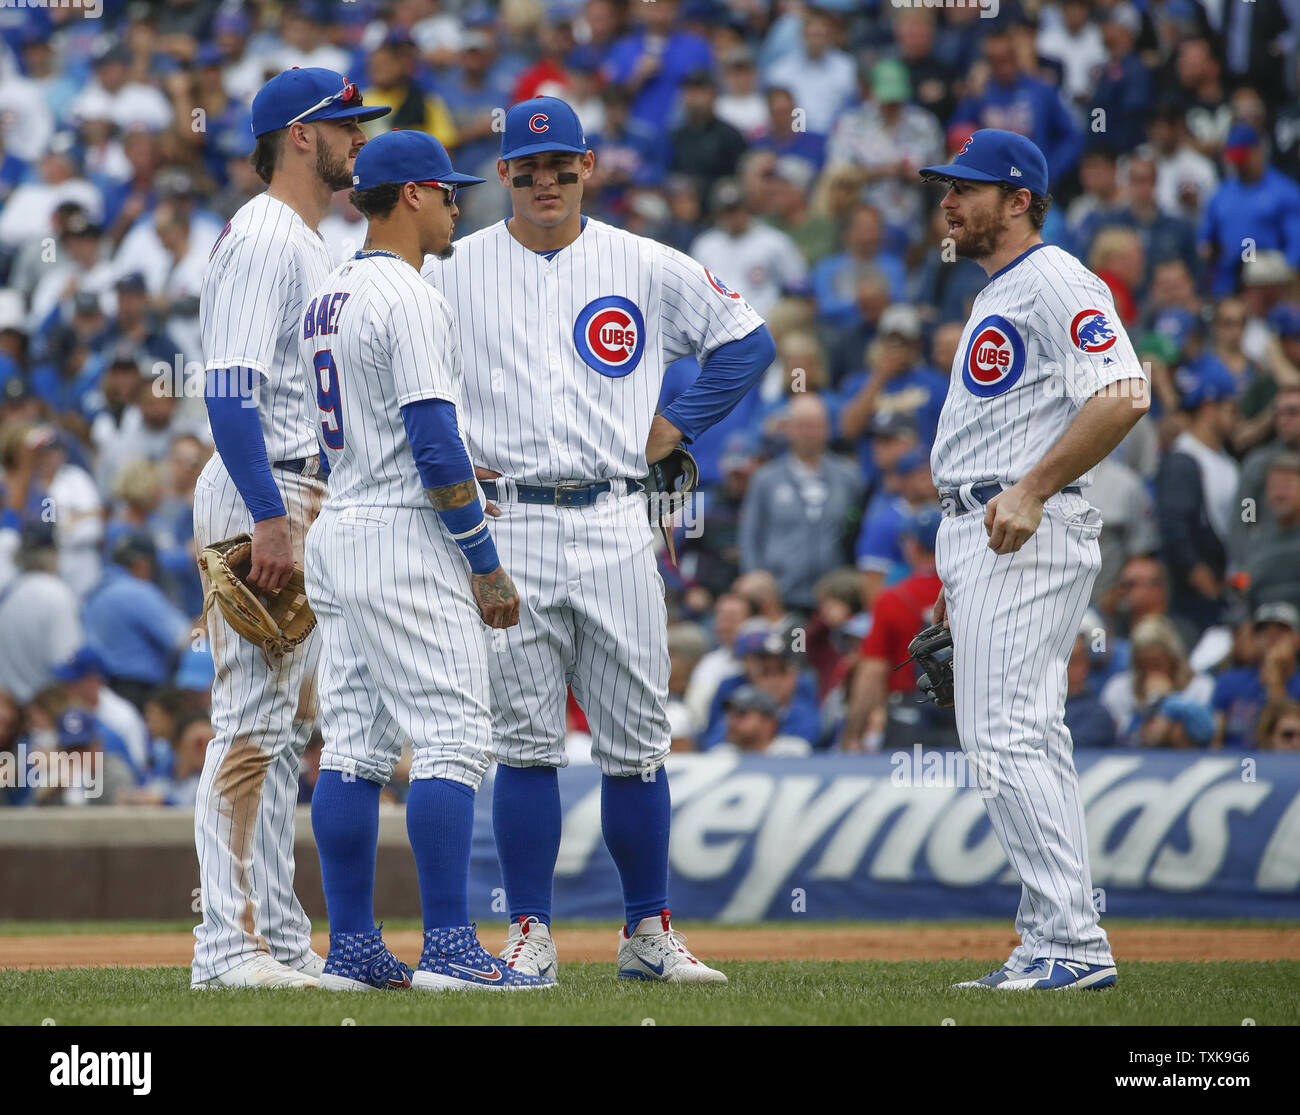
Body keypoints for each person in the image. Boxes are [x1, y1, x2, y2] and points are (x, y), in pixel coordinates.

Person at [422, 96, 774, 984]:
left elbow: (746, 340)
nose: (547, 181)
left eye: (562, 166)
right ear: (502, 174)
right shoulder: (451, 268)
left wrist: (680, 424)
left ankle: (646, 932)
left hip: (619, 514)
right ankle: (531, 931)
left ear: (589, 168)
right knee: (525, 741)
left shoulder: (643, 262)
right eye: (529, 169)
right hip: (509, 515)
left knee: (637, 740)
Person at [300, 129, 547, 992]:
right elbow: (435, 444)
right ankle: (447, 944)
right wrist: (483, 559)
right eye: (446, 191)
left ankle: (354, 949)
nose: (455, 204)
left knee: (354, 747)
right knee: (453, 735)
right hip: (403, 533)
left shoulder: (329, 290)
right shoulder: (409, 294)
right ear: (410, 194)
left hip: (344, 521)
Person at [919, 129, 1150, 990]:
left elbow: (1126, 391)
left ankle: (1071, 944)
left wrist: (1032, 489)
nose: (949, 202)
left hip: (1022, 527)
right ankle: (1055, 934)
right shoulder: (1000, 290)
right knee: (1026, 734)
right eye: (946, 187)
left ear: (1019, 199)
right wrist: (959, 569)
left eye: (967, 188)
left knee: (1005, 733)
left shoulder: (1053, 278)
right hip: (987, 533)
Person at [191, 68, 390, 991]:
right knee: (248, 721)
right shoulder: (266, 236)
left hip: (301, 489)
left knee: (280, 728)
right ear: (301, 136)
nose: (359, 138)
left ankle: (272, 937)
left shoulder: (310, 241)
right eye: (346, 124)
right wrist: (269, 514)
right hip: (261, 488)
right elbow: (226, 391)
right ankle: (226, 946)